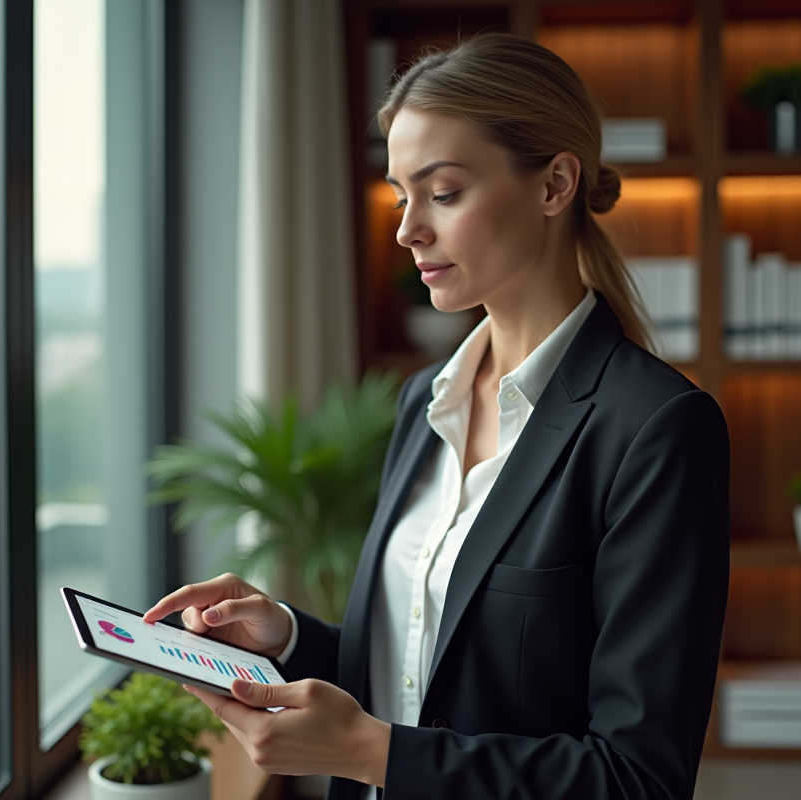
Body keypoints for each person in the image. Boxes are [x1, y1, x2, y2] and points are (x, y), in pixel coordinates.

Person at [143, 33, 730, 800]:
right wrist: (283, 635)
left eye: (443, 192)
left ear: (555, 185)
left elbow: (637, 780)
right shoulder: (426, 399)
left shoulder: (657, 430)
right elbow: (430, 670)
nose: (406, 229)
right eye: (401, 196)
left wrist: (377, 756)